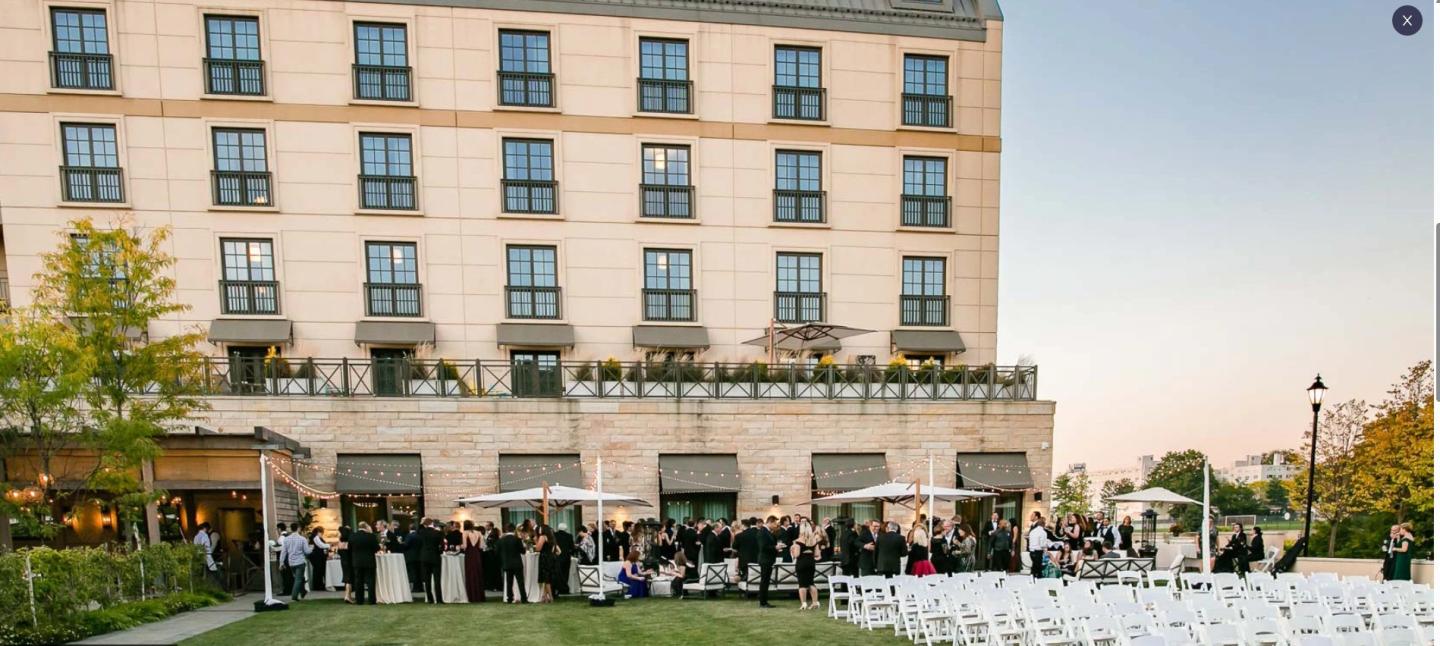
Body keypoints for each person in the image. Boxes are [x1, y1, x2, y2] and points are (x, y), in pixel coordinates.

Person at [348, 522, 380, 605]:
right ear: (366, 527)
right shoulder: (371, 536)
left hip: (357, 561)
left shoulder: (352, 536)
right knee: (370, 581)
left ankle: (359, 600)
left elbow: (349, 548)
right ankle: (372, 600)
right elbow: (377, 548)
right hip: (369, 561)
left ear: (358, 527)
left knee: (358, 581)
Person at [792, 521, 821, 610]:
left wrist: (793, 551)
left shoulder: (799, 541)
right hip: (811, 563)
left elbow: (796, 555)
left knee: (802, 584)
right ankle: (815, 602)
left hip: (802, 563)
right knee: (811, 582)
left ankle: (804, 603)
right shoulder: (814, 540)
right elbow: (817, 554)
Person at [280, 522, 312, 601]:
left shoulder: (286, 539)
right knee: (298, 579)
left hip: (291, 562)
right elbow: (307, 551)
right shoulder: (302, 539)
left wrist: (281, 562)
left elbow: (283, 551)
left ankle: (303, 591)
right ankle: (294, 595)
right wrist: (311, 548)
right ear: (298, 528)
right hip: (300, 561)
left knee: (298, 578)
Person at [498, 523, 527, 603]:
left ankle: (509, 598)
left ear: (506, 530)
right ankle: (524, 599)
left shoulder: (501, 540)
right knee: (520, 582)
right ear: (514, 529)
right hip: (517, 563)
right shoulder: (517, 539)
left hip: (507, 563)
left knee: (509, 582)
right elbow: (523, 551)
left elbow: (497, 552)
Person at [756, 516, 780, 607]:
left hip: (768, 560)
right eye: (775, 523)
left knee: (766, 581)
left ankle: (764, 601)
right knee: (764, 581)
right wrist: (775, 547)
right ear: (770, 522)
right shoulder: (763, 532)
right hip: (765, 560)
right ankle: (763, 602)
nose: (775, 525)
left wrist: (776, 547)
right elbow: (763, 547)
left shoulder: (768, 532)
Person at [461, 520, 486, 603]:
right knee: (477, 573)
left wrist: (458, 546)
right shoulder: (478, 533)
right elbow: (481, 546)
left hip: (469, 554)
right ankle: (479, 596)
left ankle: (472, 596)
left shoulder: (465, 533)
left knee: (470, 573)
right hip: (477, 554)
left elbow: (464, 546)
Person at [193, 522, 221, 587]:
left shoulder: (196, 536)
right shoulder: (204, 535)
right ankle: (218, 587)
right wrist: (208, 555)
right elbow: (207, 547)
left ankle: (205, 586)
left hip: (200, 556)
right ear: (205, 528)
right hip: (208, 556)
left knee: (205, 572)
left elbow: (195, 547)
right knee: (214, 572)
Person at [536, 524, 556, 603]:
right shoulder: (551, 537)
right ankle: (545, 597)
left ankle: (550, 597)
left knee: (545, 578)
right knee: (547, 578)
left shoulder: (542, 537)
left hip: (544, 558)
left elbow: (538, 548)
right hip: (550, 557)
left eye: (540, 528)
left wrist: (536, 542)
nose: (539, 530)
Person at [734, 518, 759, 583]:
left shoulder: (739, 536)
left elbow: (734, 547)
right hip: (755, 558)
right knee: (755, 577)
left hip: (743, 560)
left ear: (743, 525)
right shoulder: (756, 534)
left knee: (744, 577)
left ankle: (745, 590)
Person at [554, 523, 574, 595]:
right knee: (565, 573)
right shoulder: (569, 536)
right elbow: (572, 547)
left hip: (557, 556)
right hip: (566, 557)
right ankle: (564, 588)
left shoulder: (554, 535)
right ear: (566, 529)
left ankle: (558, 588)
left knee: (558, 573)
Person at [1026, 512, 1048, 579]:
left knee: (1034, 567)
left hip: (1031, 551)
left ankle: (1032, 579)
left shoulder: (1032, 531)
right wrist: (1046, 547)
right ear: (1044, 525)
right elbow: (1042, 544)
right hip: (1038, 552)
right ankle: (1038, 580)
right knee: (1038, 569)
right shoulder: (1043, 532)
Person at [307, 527, 329, 592]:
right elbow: (321, 545)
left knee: (318, 571)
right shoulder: (315, 537)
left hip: (318, 556)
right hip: (317, 557)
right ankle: (318, 586)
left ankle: (319, 585)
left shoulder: (314, 537)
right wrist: (329, 545)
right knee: (318, 571)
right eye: (321, 532)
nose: (322, 534)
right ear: (318, 532)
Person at [337, 525, 354, 603]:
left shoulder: (340, 543)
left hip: (343, 562)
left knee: (347, 578)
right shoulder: (349, 542)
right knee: (349, 579)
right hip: (350, 562)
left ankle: (347, 595)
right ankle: (347, 596)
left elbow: (339, 552)